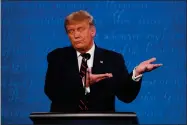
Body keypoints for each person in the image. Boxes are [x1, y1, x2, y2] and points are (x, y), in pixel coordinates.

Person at [44, 10, 162, 113]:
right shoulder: (57, 57)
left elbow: (126, 95)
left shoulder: (113, 59)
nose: (76, 35)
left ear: (92, 31)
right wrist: (83, 83)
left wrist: (137, 72)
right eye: (71, 31)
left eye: (80, 29)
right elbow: (52, 91)